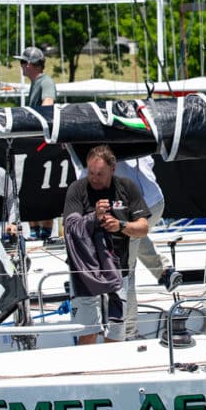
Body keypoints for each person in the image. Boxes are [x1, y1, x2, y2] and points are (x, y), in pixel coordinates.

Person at [62, 145, 150, 344]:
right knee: (87, 332)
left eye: (100, 174)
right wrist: (95, 217)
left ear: (113, 169)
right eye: (91, 172)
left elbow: (143, 227)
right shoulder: (77, 189)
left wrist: (120, 225)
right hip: (84, 274)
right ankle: (86, 374)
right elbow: (70, 228)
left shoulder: (127, 187)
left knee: (115, 334)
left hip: (118, 272)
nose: (94, 178)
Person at [113, 155, 182, 339]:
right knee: (133, 237)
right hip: (154, 199)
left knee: (125, 270)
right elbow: (149, 160)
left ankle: (129, 332)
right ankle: (164, 270)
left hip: (134, 206)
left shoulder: (82, 140)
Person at [14, 46, 56, 239]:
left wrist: (38, 123)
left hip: (41, 145)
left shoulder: (45, 81)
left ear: (29, 64)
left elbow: (49, 103)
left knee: (41, 186)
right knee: (32, 185)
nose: (20, 66)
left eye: (22, 62)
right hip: (35, 144)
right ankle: (36, 230)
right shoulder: (36, 83)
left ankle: (44, 231)